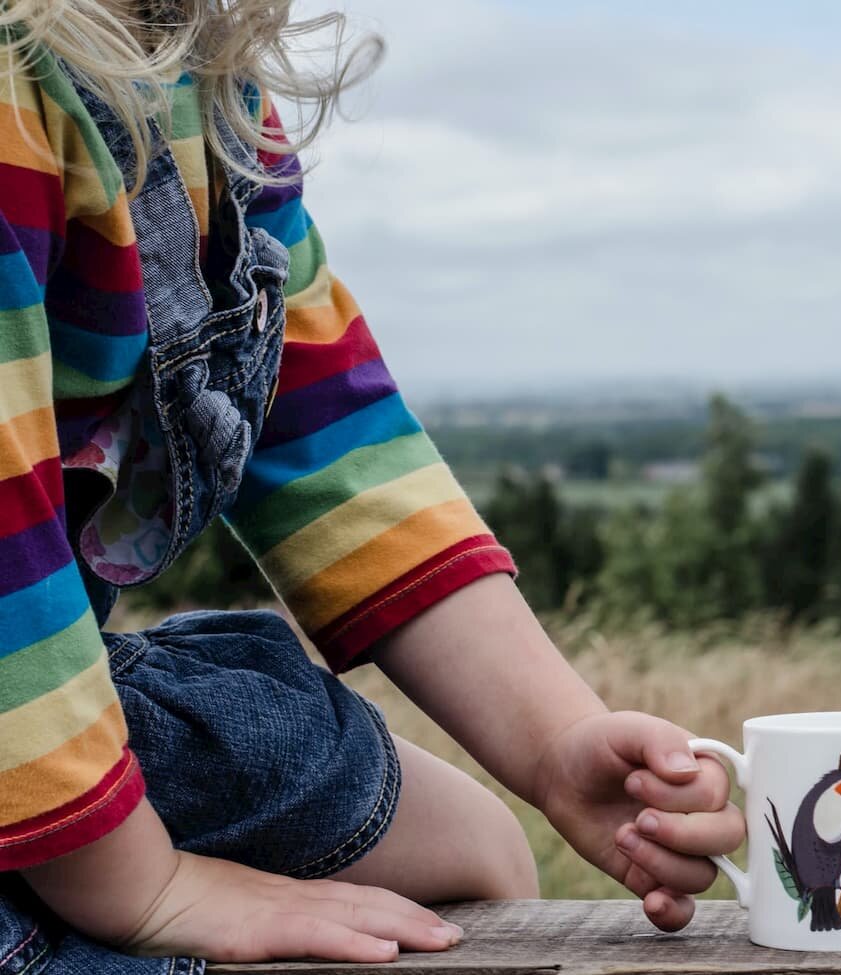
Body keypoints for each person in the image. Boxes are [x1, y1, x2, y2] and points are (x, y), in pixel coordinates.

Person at [0, 2, 745, 972]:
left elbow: (332, 439)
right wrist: (150, 889)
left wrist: (558, 741)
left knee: (475, 853)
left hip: (52, 701)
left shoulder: (207, 88)